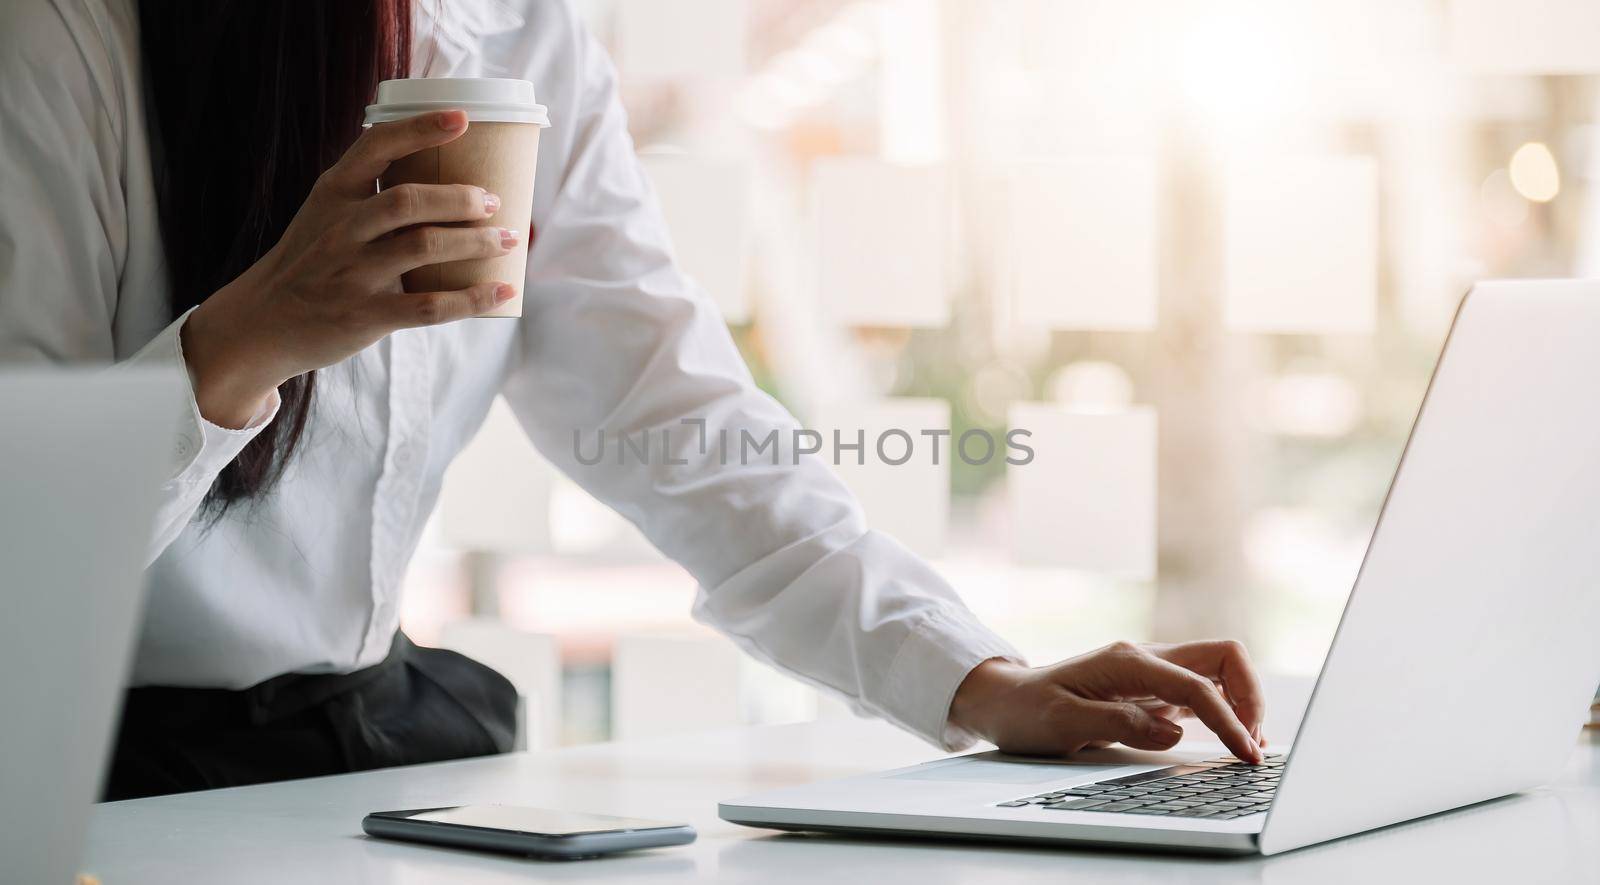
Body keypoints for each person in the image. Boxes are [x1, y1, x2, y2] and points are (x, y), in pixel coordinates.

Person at [0, 0, 1266, 800]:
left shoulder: (524, 39)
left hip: (350, 763)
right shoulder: (60, 41)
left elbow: (682, 424)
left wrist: (977, 677)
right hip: (73, 774)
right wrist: (251, 336)